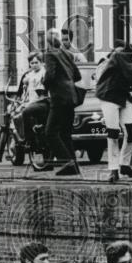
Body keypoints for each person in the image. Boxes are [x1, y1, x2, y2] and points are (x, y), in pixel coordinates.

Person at [96, 41, 132, 183]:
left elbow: (128, 76)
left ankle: (124, 165)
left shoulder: (128, 56)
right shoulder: (121, 54)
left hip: (123, 96)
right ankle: (113, 169)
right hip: (109, 96)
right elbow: (131, 75)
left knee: (130, 131)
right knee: (113, 132)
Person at [42, 28, 82, 177]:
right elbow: (77, 76)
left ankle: (67, 163)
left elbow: (50, 76)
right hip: (71, 97)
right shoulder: (68, 54)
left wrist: (44, 83)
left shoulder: (50, 54)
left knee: (50, 132)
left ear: (48, 42)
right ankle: (74, 166)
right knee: (65, 133)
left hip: (59, 97)